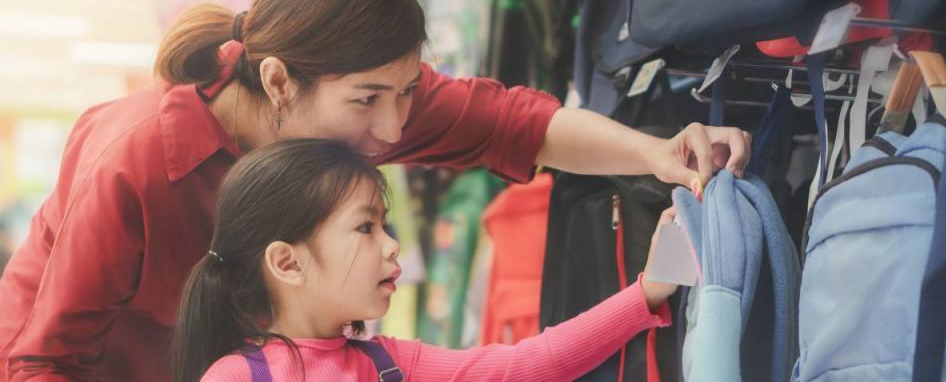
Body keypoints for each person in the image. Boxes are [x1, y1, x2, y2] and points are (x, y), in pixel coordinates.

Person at [0, 0, 748, 380]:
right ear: (278, 82)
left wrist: (656, 153)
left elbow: (514, 124)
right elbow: (44, 361)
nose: (392, 132)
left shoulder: (356, 113)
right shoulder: (136, 161)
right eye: (369, 100)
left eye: (406, 94)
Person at [174, 138, 679, 382]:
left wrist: (647, 292)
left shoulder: (389, 363)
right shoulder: (237, 377)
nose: (393, 246)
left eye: (386, 225)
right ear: (287, 263)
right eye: (366, 227)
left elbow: (528, 365)